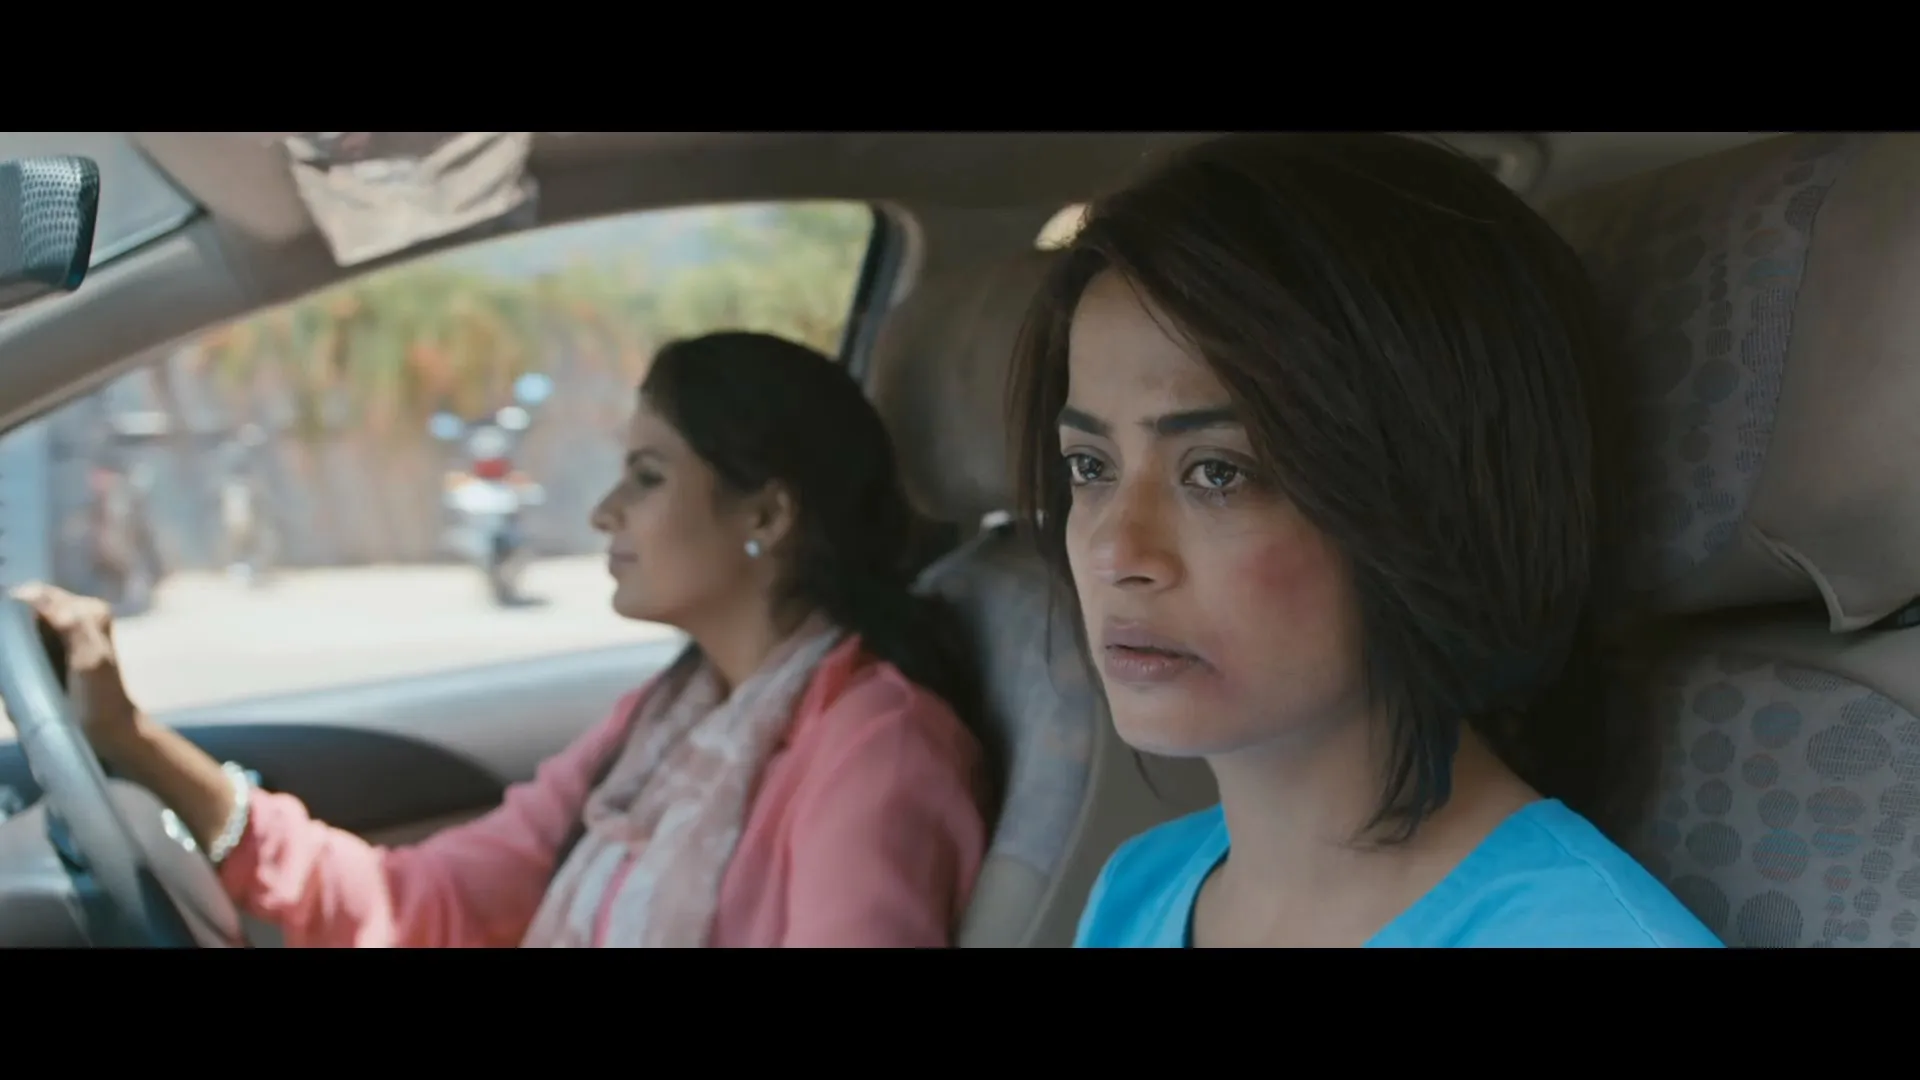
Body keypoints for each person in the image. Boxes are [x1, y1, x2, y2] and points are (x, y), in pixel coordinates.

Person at [20, 330, 990, 948]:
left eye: (648, 477)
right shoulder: (668, 722)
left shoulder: (878, 752)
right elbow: (421, 902)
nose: (605, 512)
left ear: (767, 514)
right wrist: (134, 741)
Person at [1007, 133, 1722, 948]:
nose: (1114, 553)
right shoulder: (1140, 887)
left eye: (1217, 473)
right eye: (1090, 466)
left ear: (1433, 499)